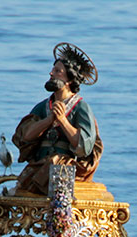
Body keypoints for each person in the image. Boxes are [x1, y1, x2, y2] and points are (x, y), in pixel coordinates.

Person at [12, 43, 103, 195]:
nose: (51, 74)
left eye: (57, 71)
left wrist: (63, 121)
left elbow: (84, 147)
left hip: (65, 165)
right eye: (52, 70)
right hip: (41, 163)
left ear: (69, 79)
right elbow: (26, 136)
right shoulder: (43, 107)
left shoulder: (81, 108)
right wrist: (48, 121)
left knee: (55, 165)